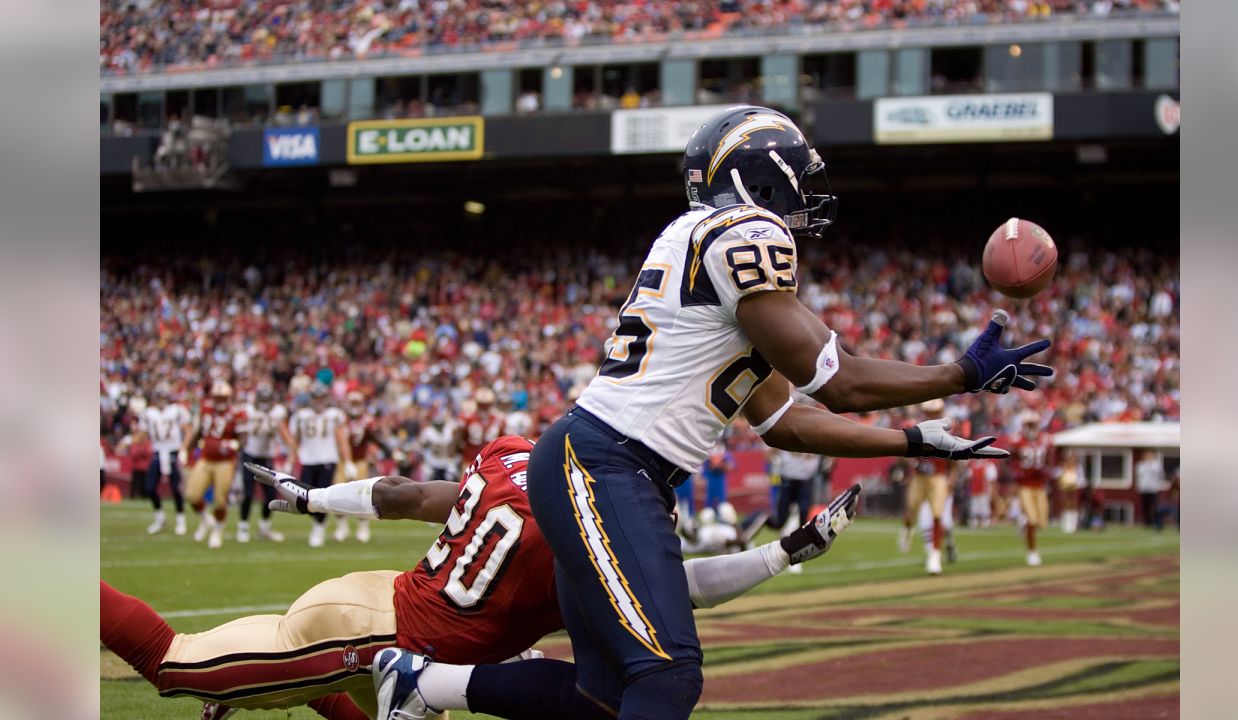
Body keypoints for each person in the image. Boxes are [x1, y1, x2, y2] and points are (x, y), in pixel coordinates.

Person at [379, 105, 1052, 720]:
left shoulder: (706, 242)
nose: (809, 192)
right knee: (667, 675)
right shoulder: (746, 232)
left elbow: (784, 418)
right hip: (605, 465)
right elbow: (838, 382)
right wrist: (959, 373)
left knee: (603, 698)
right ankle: (417, 684)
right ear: (761, 177)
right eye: (799, 174)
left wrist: (912, 440)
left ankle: (422, 685)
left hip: (602, 466)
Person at [100, 436, 858, 720]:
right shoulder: (591, 531)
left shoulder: (514, 456)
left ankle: (285, 684)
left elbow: (406, 496)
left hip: (379, 600)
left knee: (373, 702)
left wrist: (312, 496)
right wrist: (779, 555)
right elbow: (679, 588)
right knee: (175, 665)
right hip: (379, 637)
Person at [280, 383, 354, 548]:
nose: (319, 401)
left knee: (321, 498)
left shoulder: (334, 415)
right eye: (316, 398)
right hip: (308, 461)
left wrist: (348, 461)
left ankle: (318, 528)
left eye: (322, 398)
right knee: (305, 499)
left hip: (328, 460)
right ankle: (320, 523)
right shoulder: (301, 416)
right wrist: (290, 460)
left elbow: (341, 439)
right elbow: (295, 441)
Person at [897, 400, 959, 574]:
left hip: (938, 476)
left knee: (937, 515)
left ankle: (935, 556)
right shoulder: (916, 428)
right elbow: (902, 452)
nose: (932, 415)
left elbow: (955, 457)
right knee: (911, 510)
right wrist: (910, 461)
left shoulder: (949, 429)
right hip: (920, 477)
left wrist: (952, 478)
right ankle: (908, 529)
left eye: (935, 412)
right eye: (929, 412)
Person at [182, 381, 245, 549]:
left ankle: (218, 530)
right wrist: (186, 451)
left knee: (219, 500)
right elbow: (197, 433)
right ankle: (205, 519)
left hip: (225, 462)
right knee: (191, 495)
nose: (220, 401)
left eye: (222, 397)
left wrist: (233, 445)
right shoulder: (205, 410)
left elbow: (243, 438)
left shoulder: (237, 413)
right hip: (206, 458)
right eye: (217, 397)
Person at [334, 391, 392, 543]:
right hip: (342, 462)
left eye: (356, 404)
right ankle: (342, 527)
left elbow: (376, 438)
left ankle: (363, 528)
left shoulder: (367, 421)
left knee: (363, 497)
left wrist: (387, 450)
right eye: (352, 404)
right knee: (337, 494)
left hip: (360, 461)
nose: (354, 407)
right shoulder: (341, 420)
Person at [138, 384, 192, 535]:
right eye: (159, 397)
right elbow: (142, 434)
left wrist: (183, 448)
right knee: (149, 488)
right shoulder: (148, 413)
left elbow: (188, 430)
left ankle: (181, 521)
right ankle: (160, 518)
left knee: (176, 489)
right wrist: (128, 441)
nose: (161, 400)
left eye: (163, 397)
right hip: (157, 452)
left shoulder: (177, 410)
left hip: (173, 452)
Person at [237, 387, 287, 543]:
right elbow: (242, 434)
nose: (265, 404)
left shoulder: (277, 412)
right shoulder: (248, 411)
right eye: (263, 400)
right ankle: (243, 527)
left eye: (267, 400)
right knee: (248, 494)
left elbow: (281, 432)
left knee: (271, 496)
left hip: (267, 458)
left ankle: (264, 527)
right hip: (250, 456)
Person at [1009, 410, 1055, 566]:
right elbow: (1010, 460)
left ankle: (1023, 521)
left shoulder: (1045, 440)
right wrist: (1017, 474)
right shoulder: (1017, 440)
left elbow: (1050, 459)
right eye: (1028, 424)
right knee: (1033, 520)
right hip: (1025, 486)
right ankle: (1032, 552)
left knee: (1042, 522)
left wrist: (1048, 472)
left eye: (1033, 424)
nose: (1031, 427)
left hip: (1040, 486)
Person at [1135, 449, 1167, 528]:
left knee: (1155, 506)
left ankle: (1156, 522)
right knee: (1145, 506)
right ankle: (1147, 522)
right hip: (1144, 488)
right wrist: (1138, 486)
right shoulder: (1140, 465)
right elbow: (1138, 477)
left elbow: (1161, 475)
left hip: (1154, 488)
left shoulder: (1156, 465)